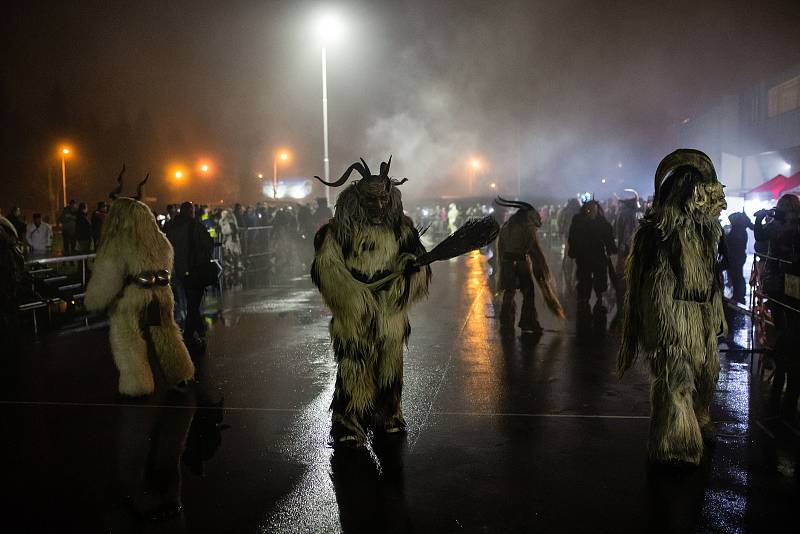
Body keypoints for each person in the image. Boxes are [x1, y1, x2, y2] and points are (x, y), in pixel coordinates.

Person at [311, 157, 431, 448]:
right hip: (355, 312)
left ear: (390, 198)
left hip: (390, 310)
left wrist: (409, 270)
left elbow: (420, 268)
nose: (378, 207)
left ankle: (389, 414)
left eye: (383, 200)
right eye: (370, 200)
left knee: (390, 364)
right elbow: (327, 270)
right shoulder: (338, 232)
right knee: (354, 363)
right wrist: (355, 298)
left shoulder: (402, 230)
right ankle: (348, 421)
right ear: (357, 200)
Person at [618, 149, 727, 466]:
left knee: (708, 376)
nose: (719, 205)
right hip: (673, 317)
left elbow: (710, 278)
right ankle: (675, 446)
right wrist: (664, 330)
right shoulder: (660, 233)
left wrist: (715, 312)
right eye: (710, 195)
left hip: (701, 318)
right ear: (692, 194)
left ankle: (699, 421)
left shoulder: (705, 232)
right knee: (676, 382)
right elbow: (655, 283)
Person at [84, 184, 195, 397]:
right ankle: (180, 373)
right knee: (166, 333)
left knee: (127, 336)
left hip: (131, 297)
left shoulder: (118, 241)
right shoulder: (159, 240)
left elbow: (109, 276)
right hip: (161, 294)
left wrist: (94, 300)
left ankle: (137, 385)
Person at [754, 193, 800, 419]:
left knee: (783, 327)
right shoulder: (796, 224)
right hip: (794, 283)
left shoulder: (778, 225)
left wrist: (760, 218)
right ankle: (790, 380)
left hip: (775, 283)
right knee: (792, 324)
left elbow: (760, 236)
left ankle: (782, 362)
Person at [495, 197, 565, 334]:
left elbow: (502, 247)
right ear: (526, 215)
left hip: (507, 263)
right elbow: (530, 247)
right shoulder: (527, 228)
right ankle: (528, 322)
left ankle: (505, 320)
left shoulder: (506, 227)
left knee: (509, 292)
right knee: (528, 292)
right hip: (521, 263)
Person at [166, 202, 214, 348]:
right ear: (191, 212)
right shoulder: (195, 226)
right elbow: (208, 243)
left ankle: (198, 331)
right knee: (193, 305)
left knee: (185, 303)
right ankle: (189, 336)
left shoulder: (171, 226)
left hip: (176, 270)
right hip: (193, 270)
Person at [567, 200, 617, 328]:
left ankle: (599, 299)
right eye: (590, 209)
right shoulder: (579, 221)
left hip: (597, 256)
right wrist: (573, 250)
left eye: (594, 209)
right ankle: (584, 299)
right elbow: (573, 237)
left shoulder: (601, 222)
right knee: (584, 278)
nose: (591, 212)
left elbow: (608, 236)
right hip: (584, 256)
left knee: (599, 278)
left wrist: (611, 247)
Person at [726, 212, 753, 304]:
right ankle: (738, 293)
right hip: (738, 256)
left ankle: (739, 294)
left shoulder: (738, 231)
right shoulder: (740, 230)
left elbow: (733, 243)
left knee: (737, 275)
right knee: (736, 275)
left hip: (737, 256)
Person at [218, 209, 243, 287]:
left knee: (234, 253)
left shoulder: (231, 222)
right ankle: (232, 266)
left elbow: (231, 231)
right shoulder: (223, 221)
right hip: (229, 241)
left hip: (232, 240)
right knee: (229, 254)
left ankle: (235, 267)